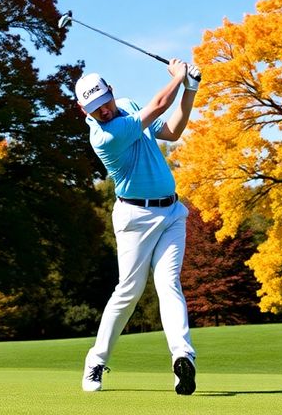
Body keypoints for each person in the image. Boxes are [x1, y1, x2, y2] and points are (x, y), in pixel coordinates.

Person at [75, 58, 200, 394]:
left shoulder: (128, 106)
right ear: (83, 109)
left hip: (172, 212)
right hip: (135, 219)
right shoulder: (105, 136)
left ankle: (182, 359)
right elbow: (160, 104)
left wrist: (190, 89)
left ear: (112, 92)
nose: (102, 111)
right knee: (128, 294)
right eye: (94, 109)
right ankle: (96, 361)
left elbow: (171, 130)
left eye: (105, 102)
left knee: (168, 284)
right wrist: (178, 76)